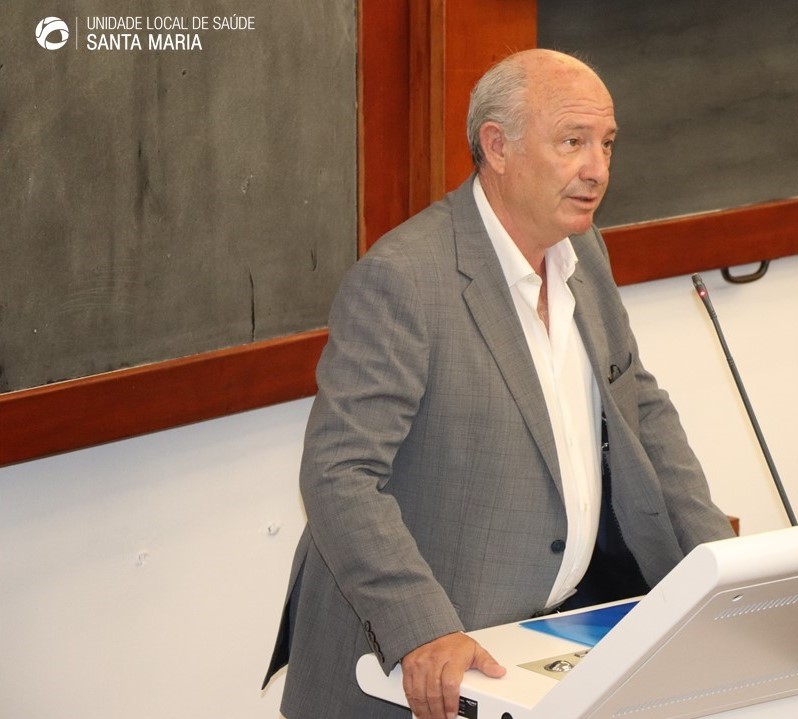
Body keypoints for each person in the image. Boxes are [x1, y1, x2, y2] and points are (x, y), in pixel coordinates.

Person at [262, 48, 736, 719]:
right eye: (571, 142)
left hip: (544, 638)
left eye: (605, 143)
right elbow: (339, 473)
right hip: (418, 662)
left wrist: (723, 567)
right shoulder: (405, 279)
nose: (597, 169)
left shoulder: (582, 250)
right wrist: (423, 627)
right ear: (497, 147)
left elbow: (640, 408)